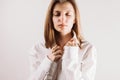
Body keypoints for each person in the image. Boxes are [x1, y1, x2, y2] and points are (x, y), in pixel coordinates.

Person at [29, 0, 97, 80]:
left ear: (75, 19)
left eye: (68, 14)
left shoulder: (88, 49)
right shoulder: (37, 49)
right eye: (57, 14)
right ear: (51, 18)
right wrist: (48, 61)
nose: (62, 19)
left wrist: (70, 56)